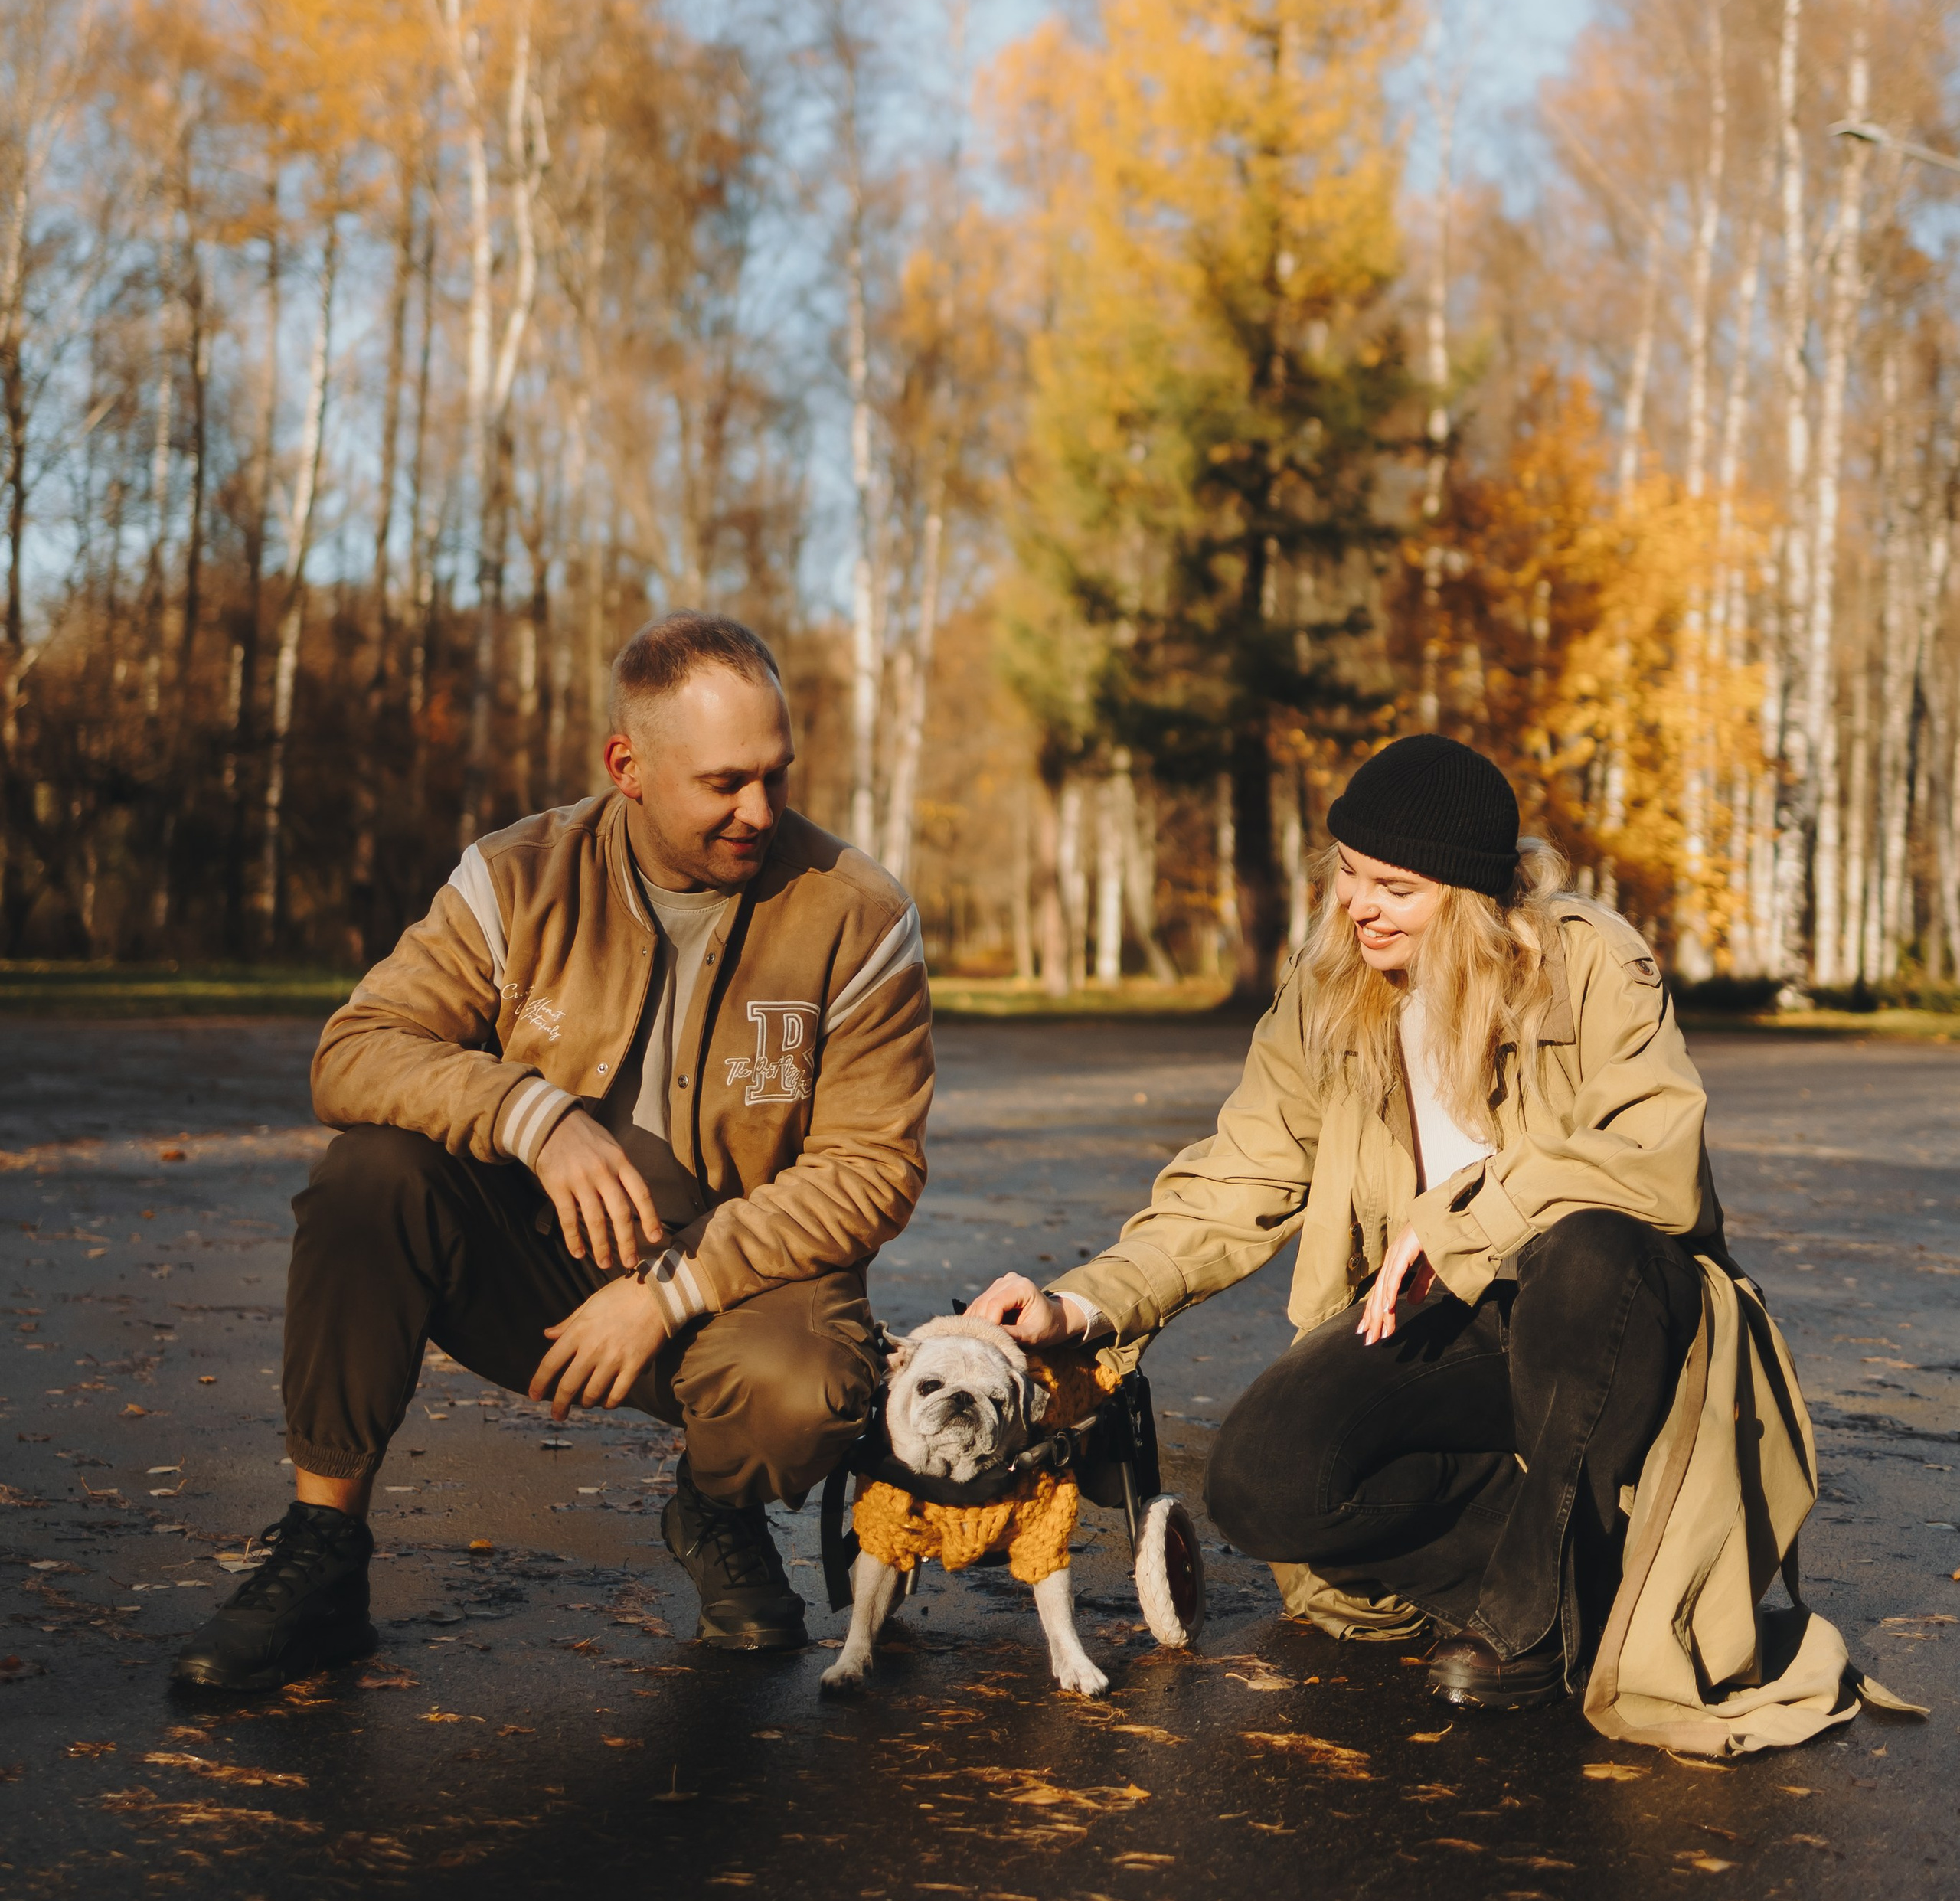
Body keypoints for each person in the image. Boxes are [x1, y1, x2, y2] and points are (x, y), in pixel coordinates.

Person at [174, 612, 933, 1690]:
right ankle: (323, 1556)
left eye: (775, 774)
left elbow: (871, 1170)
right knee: (367, 1178)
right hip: (535, 1261)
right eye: (723, 783)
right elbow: (355, 1052)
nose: (759, 810)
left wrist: (671, 1289)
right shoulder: (514, 878)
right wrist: (532, 1115)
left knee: (802, 1388)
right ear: (628, 765)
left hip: (735, 1290)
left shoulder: (857, 916)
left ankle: (716, 1509)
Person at [971, 733, 1725, 1710]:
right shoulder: (1330, 988)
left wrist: (1464, 1222)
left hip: (1607, 1321)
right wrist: (1078, 1307)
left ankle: (1532, 1622)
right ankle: (1584, 1578)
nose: (1358, 905)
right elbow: (1238, 1176)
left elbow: (1652, 1161)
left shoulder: (1586, 961)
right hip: (1443, 1322)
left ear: (1469, 894)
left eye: (1395, 888)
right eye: (1347, 874)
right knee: (1261, 1481)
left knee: (1586, 1251)